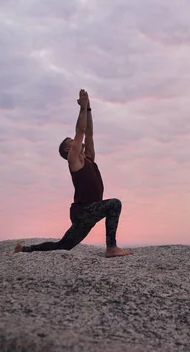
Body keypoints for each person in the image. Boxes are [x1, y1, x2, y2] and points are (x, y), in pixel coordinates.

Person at [13, 89, 132, 258]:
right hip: (83, 212)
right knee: (114, 204)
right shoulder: (74, 161)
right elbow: (81, 131)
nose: (77, 141)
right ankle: (111, 247)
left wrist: (89, 108)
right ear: (69, 150)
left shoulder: (88, 158)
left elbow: (89, 132)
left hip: (88, 212)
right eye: (72, 141)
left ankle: (24, 250)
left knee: (64, 245)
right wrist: (81, 108)